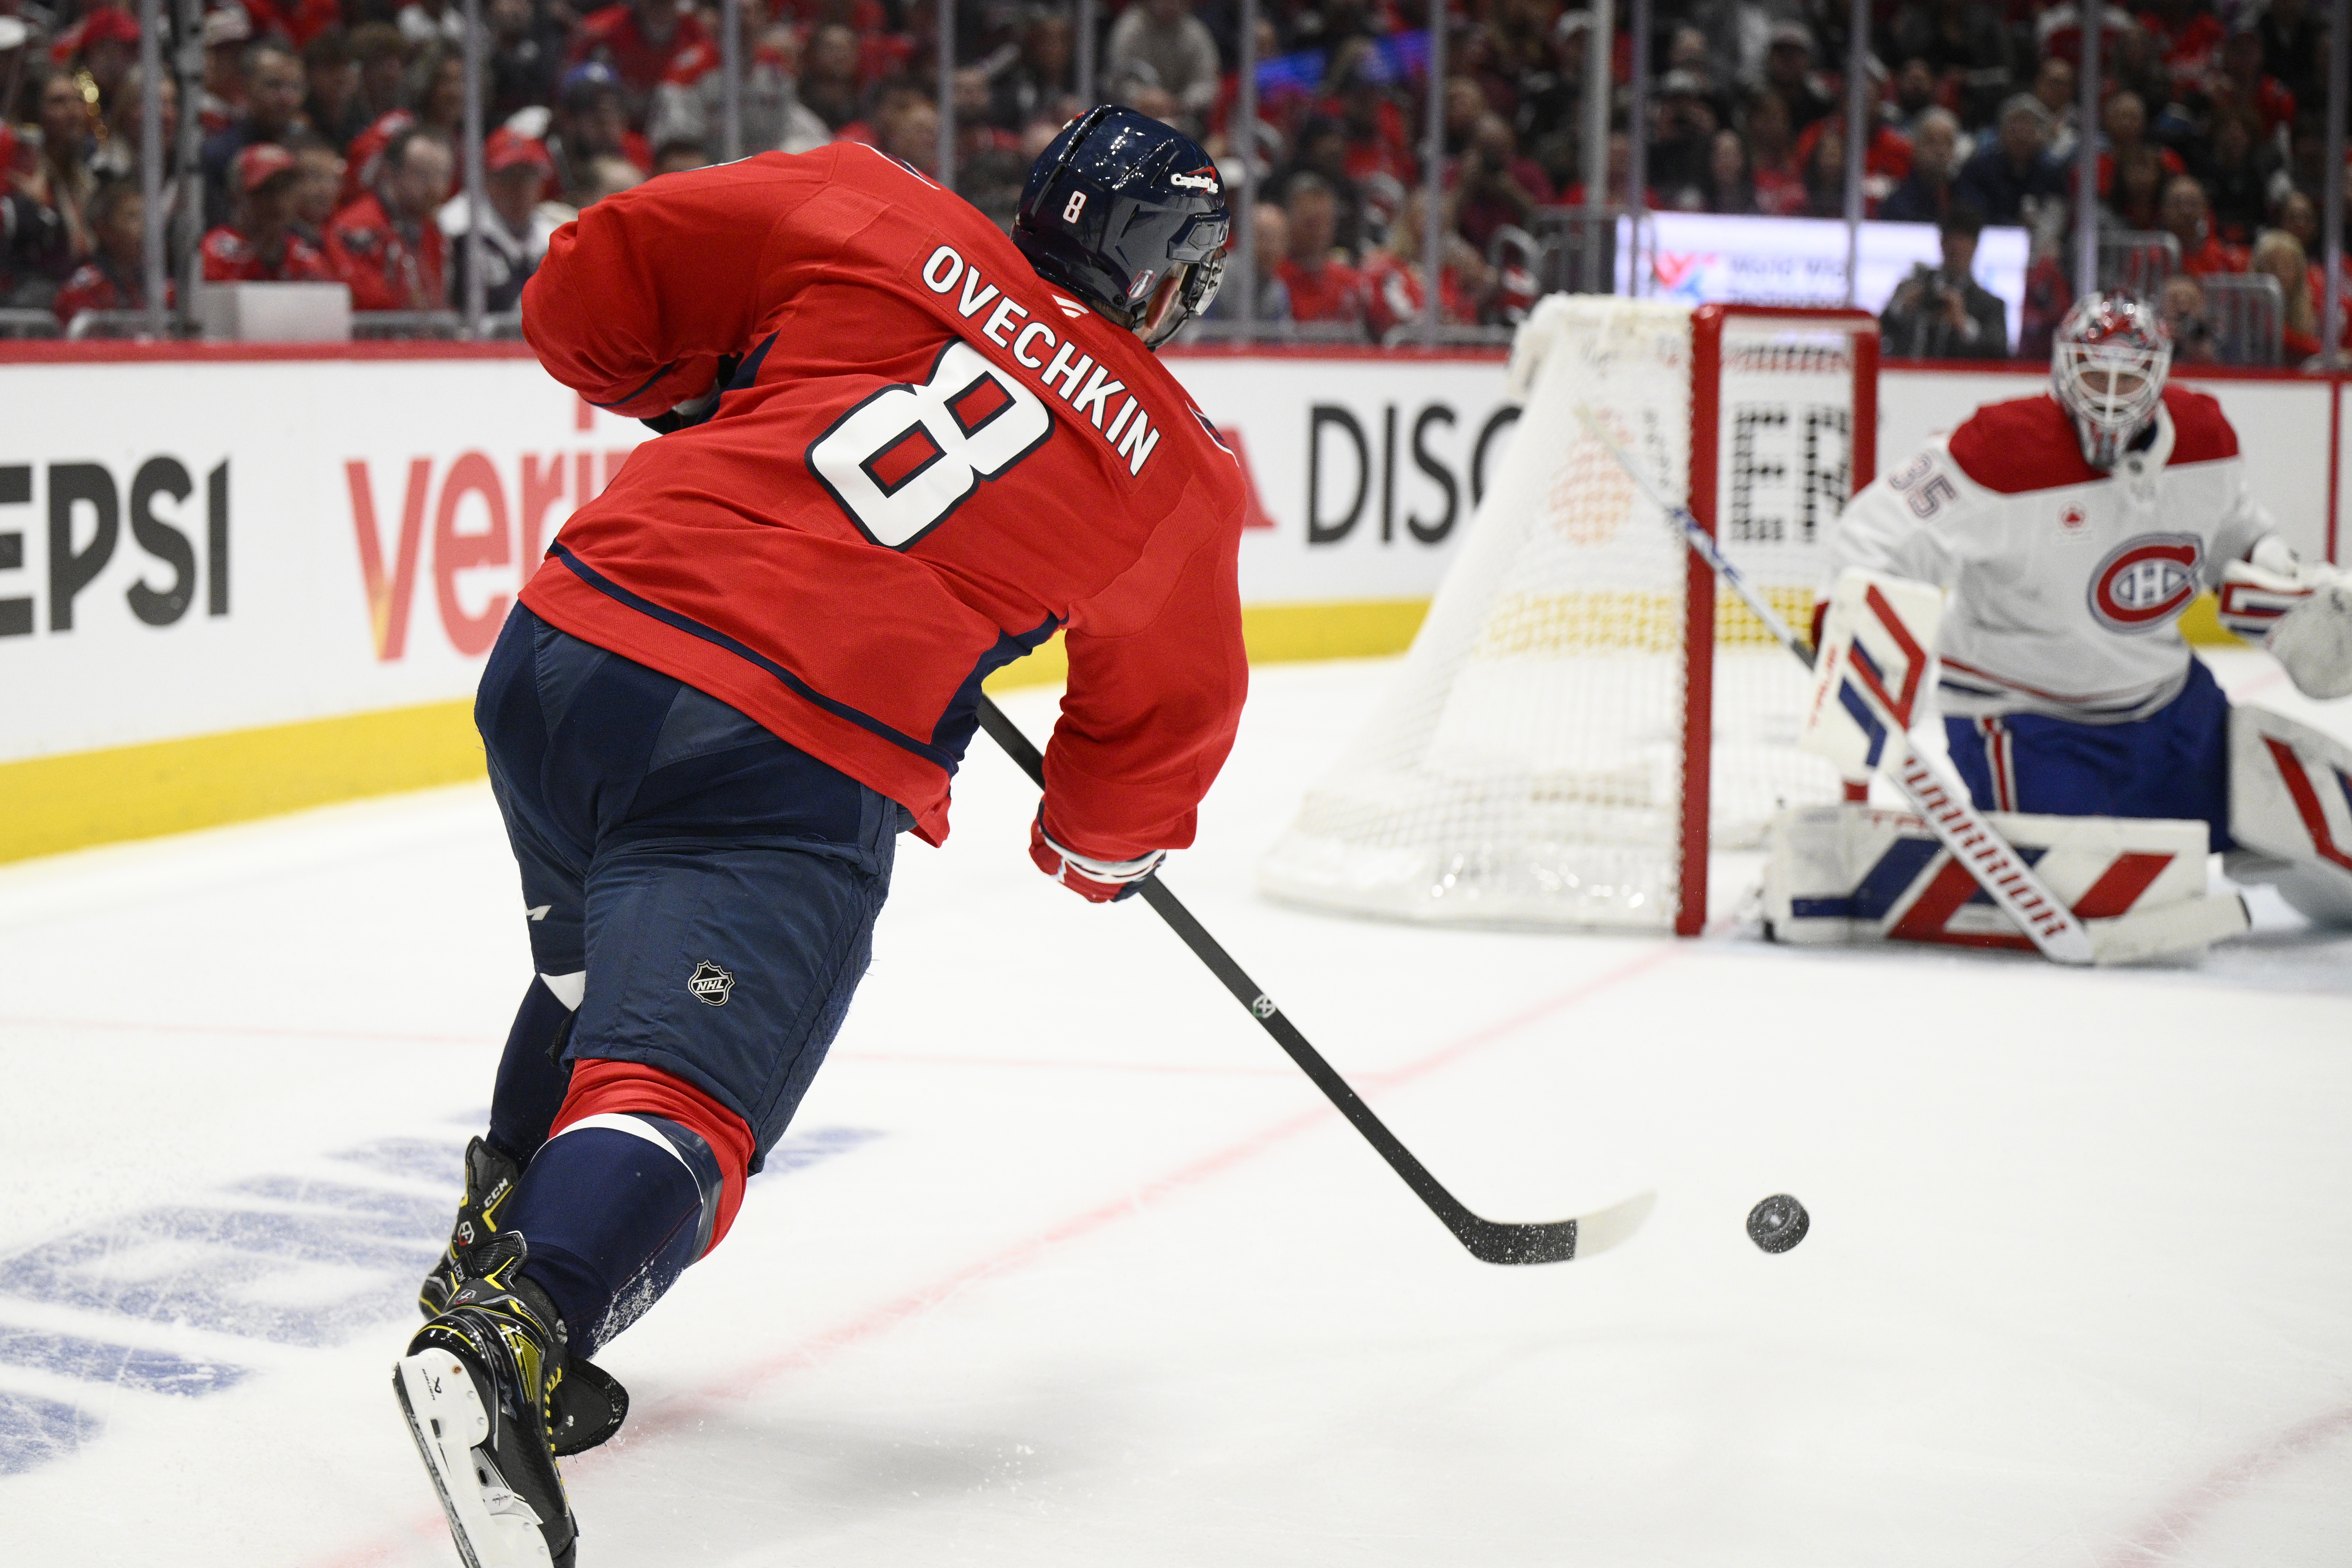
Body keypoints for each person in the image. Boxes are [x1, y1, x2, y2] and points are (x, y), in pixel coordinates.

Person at [391, 105, 1245, 1568]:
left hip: (566, 649)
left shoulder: (868, 207)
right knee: (685, 1099)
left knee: (599, 978)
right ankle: (512, 1332)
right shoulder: (1173, 465)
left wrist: (697, 388)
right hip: (772, 750)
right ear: (1164, 279)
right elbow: (1157, 727)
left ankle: (491, 1249)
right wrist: (1100, 844)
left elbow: (590, 282)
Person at [1824, 293, 2351, 915]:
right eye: (2094, 370)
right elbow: (1870, 534)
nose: (2109, 391)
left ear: (2159, 372)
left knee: (2333, 822)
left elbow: (2233, 531)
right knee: (2094, 889)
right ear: (2061, 367)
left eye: (2127, 373)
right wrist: (1851, 629)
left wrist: (2277, 571)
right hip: (2026, 720)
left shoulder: (2204, 437)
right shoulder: (1996, 448)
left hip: (2170, 710)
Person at [327, 124, 452, 310]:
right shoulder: (357, 227)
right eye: (423, 174)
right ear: (389, 171)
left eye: (443, 176)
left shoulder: (432, 231)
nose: (435, 187)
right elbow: (365, 302)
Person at [440, 127, 562, 312]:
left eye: (528, 177)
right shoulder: (459, 226)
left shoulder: (554, 232)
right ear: (486, 179)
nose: (519, 188)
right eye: (508, 176)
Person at [1879, 205, 2008, 359]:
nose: (1956, 248)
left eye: (1963, 242)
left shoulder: (1990, 305)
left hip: (1958, 380)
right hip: (1905, 377)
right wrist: (1900, 307)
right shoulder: (1912, 287)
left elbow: (2000, 352)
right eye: (1951, 241)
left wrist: (1964, 323)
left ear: (1975, 246)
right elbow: (1879, 331)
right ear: (1942, 243)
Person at [201, 141, 337, 281]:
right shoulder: (216, 254)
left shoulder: (304, 257)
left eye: (286, 189)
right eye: (266, 191)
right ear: (237, 196)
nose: (278, 201)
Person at [52, 175, 171, 324]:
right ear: (102, 229)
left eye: (145, 218)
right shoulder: (82, 290)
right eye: (133, 217)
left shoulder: (156, 286)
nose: (144, 228)